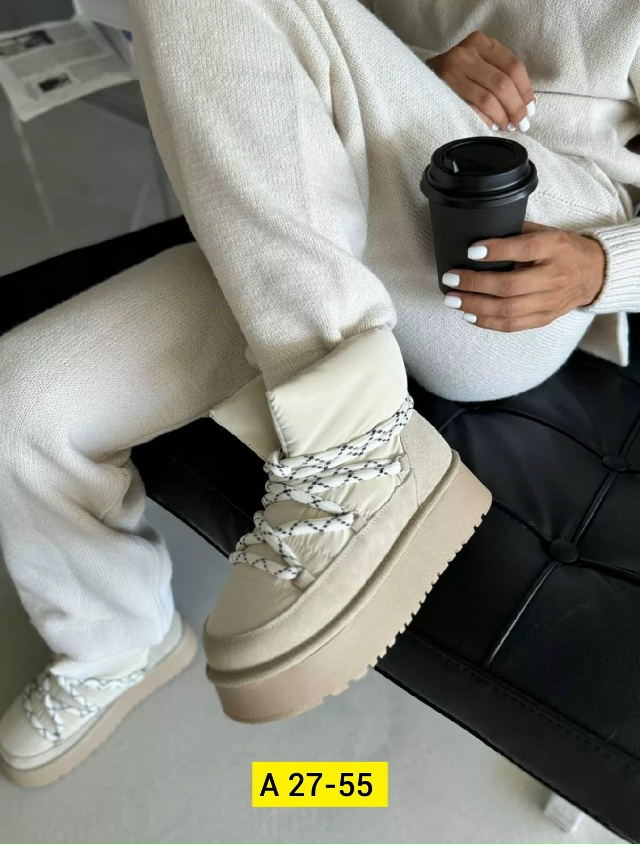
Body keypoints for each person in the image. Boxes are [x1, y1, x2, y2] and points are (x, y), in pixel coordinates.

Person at [1, 0, 639, 786]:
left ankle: (354, 442)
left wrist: (604, 266)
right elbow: (306, 40)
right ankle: (114, 642)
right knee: (22, 402)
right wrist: (413, 71)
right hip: (335, 217)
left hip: (526, 255)